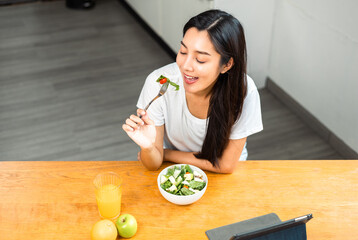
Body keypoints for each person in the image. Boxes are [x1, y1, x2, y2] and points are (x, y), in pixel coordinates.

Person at [122, 9, 263, 173]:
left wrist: (166, 154)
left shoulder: (244, 91)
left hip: (223, 176)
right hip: (177, 170)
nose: (185, 66)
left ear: (227, 65)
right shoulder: (160, 83)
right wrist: (148, 148)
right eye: (183, 51)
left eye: (200, 59)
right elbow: (153, 163)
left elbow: (226, 165)